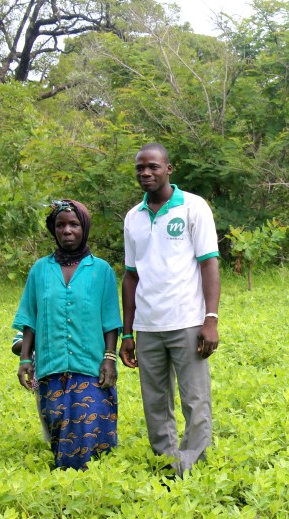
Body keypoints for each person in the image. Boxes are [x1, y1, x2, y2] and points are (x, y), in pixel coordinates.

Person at [120, 142, 221, 477]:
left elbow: (209, 265)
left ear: (168, 169)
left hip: (188, 322)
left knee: (195, 400)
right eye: (140, 168)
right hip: (148, 327)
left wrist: (211, 319)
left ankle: (192, 465)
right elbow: (131, 276)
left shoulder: (193, 207)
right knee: (155, 402)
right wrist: (127, 332)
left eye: (153, 167)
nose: (146, 173)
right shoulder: (133, 218)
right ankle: (167, 464)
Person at [13, 199, 122, 470]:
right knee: (58, 423)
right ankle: (65, 479)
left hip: (90, 365)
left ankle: (91, 480)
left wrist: (109, 357)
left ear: (83, 227)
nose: (67, 230)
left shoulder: (101, 270)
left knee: (92, 421)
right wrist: (25, 359)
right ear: (54, 230)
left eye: (74, 224)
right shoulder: (40, 270)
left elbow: (110, 319)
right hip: (51, 365)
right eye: (60, 225)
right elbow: (30, 317)